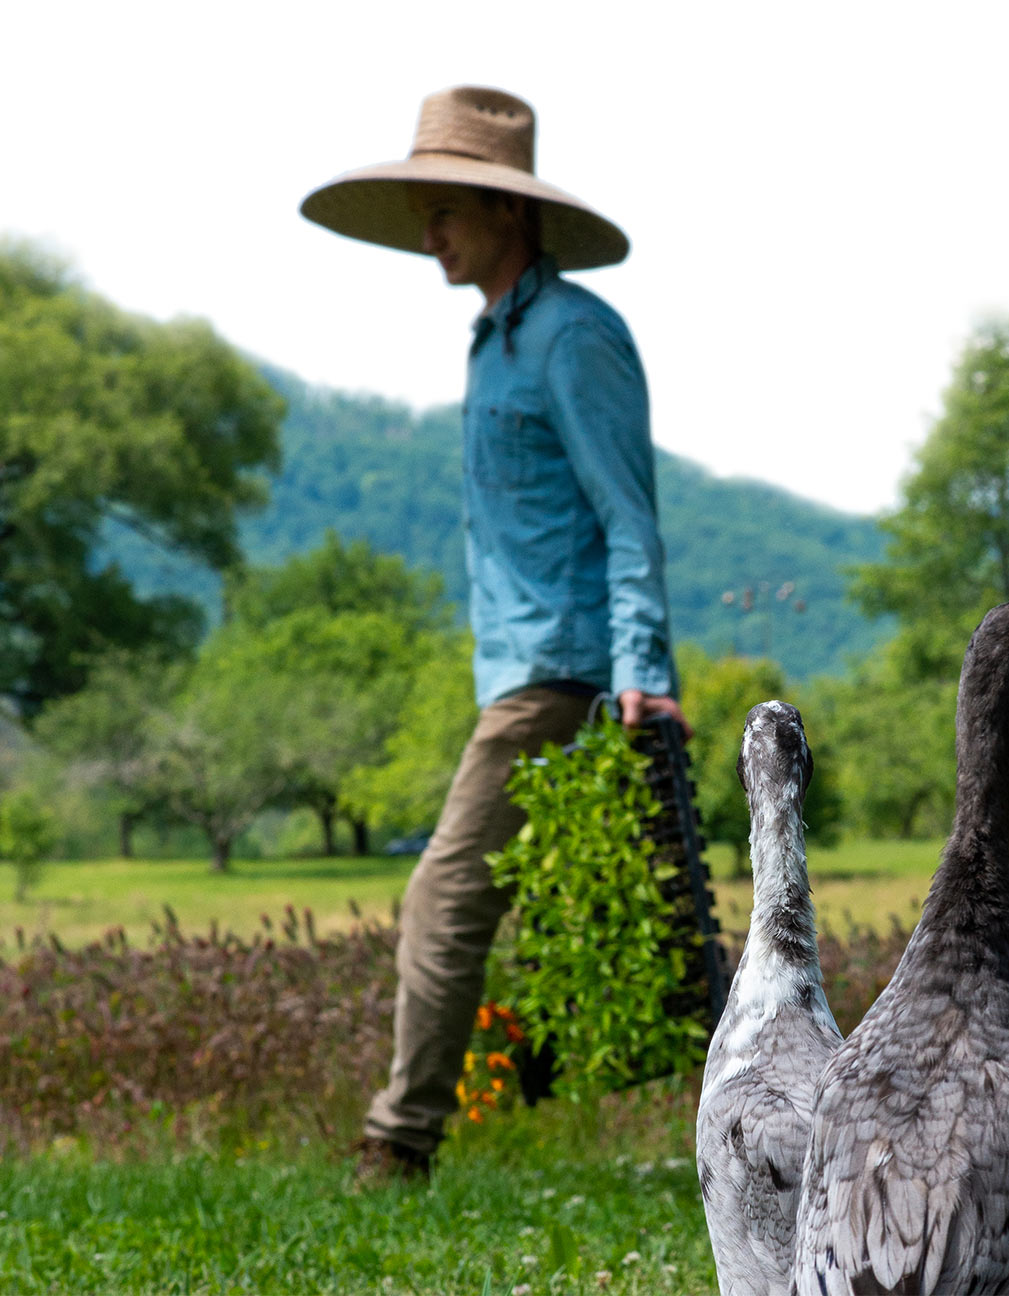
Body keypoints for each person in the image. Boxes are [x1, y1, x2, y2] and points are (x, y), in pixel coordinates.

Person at [301, 85, 687, 1182]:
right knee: (621, 922)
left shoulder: (572, 338)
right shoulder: (495, 344)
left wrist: (641, 673)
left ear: (506, 212)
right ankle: (766, 1123)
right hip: (525, 667)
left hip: (563, 674)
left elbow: (627, 516)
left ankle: (397, 1143)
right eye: (422, 211)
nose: (428, 233)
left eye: (446, 211)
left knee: (446, 894)